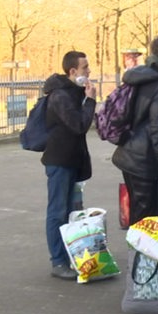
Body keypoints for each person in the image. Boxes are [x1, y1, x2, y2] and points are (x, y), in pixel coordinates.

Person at [111, 34, 158, 226]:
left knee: (140, 214)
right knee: (146, 220)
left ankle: (140, 254)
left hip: (130, 154)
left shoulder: (140, 77)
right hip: (144, 161)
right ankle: (141, 256)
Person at [41, 50, 97, 280]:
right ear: (73, 71)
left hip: (72, 160)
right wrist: (91, 100)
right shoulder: (60, 96)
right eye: (85, 68)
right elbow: (79, 124)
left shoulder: (72, 92)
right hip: (60, 161)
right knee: (57, 212)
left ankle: (70, 255)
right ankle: (58, 261)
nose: (89, 71)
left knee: (71, 211)